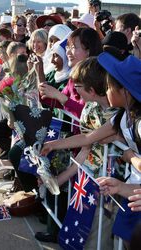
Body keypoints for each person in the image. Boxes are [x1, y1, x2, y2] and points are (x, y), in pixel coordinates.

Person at [41, 52, 141, 245]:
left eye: (110, 86)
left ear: (125, 91)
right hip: (133, 189)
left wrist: (131, 158)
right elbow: (88, 137)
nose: (107, 89)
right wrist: (53, 144)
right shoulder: (120, 118)